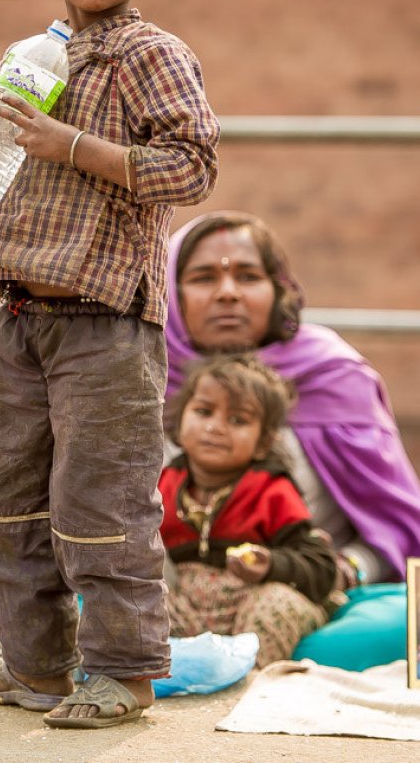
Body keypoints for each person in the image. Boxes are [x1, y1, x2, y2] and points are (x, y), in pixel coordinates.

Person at [0, 0, 219, 728]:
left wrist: (74, 146)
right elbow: (10, 159)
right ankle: (39, 667)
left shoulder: (151, 55)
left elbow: (193, 166)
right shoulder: (27, 56)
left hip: (104, 323)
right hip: (19, 313)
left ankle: (122, 672)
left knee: (100, 502)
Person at [165, 211, 420, 590]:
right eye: (204, 277)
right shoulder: (143, 380)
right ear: (170, 292)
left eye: (248, 276)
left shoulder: (334, 376)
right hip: (164, 606)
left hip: (314, 603)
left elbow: (395, 527)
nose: (228, 292)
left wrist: (344, 571)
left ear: (277, 289)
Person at [160, 352, 337, 667]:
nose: (215, 428)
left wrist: (271, 564)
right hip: (190, 610)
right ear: (179, 420)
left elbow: (321, 566)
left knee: (273, 606)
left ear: (263, 443)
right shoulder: (164, 485)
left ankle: (248, 689)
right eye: (204, 411)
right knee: (139, 605)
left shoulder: (272, 491)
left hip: (253, 606)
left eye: (238, 420)